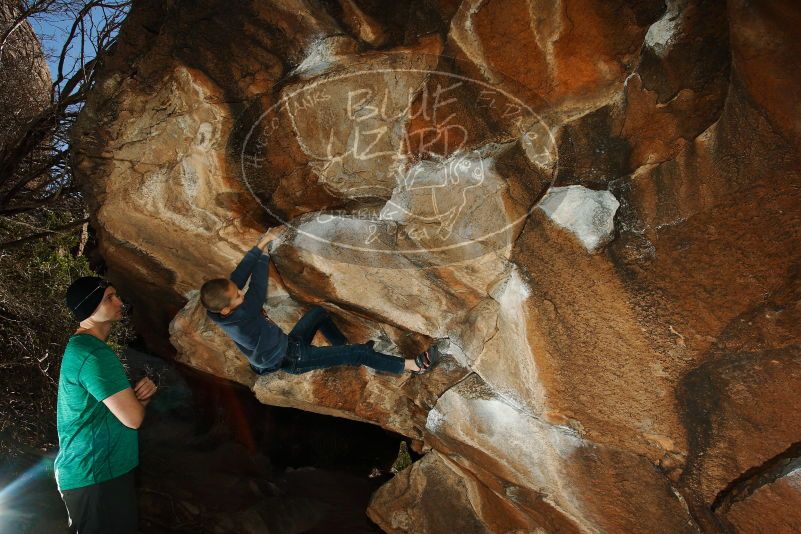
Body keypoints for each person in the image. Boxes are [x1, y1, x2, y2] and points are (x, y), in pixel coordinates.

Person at [200, 230, 440, 376]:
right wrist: (264, 254)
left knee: (318, 313)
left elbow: (237, 278)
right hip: (293, 359)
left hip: (287, 344)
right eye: (237, 296)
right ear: (227, 309)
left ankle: (344, 351)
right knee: (358, 353)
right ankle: (414, 367)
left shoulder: (217, 310)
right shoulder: (243, 316)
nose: (240, 292)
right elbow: (257, 288)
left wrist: (259, 244)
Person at [55, 276, 158, 534]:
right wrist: (142, 400)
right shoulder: (94, 354)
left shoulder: (83, 347)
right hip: (98, 474)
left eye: (116, 295)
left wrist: (140, 399)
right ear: (90, 309)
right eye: (108, 298)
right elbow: (133, 419)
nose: (119, 302)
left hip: (92, 473)